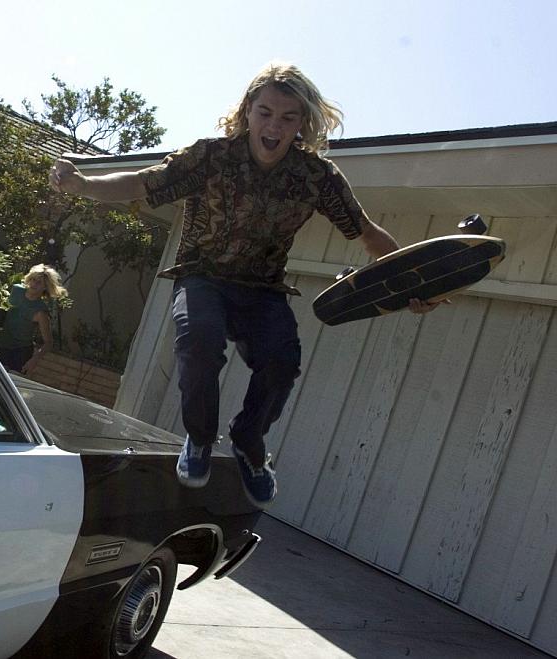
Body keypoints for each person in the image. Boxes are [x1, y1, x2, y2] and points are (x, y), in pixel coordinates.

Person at [49, 62, 441, 504]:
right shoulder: (211, 157)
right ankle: (199, 439)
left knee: (282, 361)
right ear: (247, 111)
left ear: (302, 123)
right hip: (203, 278)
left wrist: (413, 282)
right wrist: (83, 184)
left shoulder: (316, 177)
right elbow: (142, 183)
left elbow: (366, 232)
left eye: (288, 118)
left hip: (261, 290)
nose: (274, 127)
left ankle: (249, 443)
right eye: (265, 113)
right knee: (200, 341)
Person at [0, 264, 67, 375]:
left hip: (20, 352)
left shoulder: (40, 311)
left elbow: (48, 342)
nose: (34, 284)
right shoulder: (16, 291)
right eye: (33, 279)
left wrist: (33, 360)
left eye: (39, 282)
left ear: (45, 287)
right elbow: (1, 311)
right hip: (1, 344)